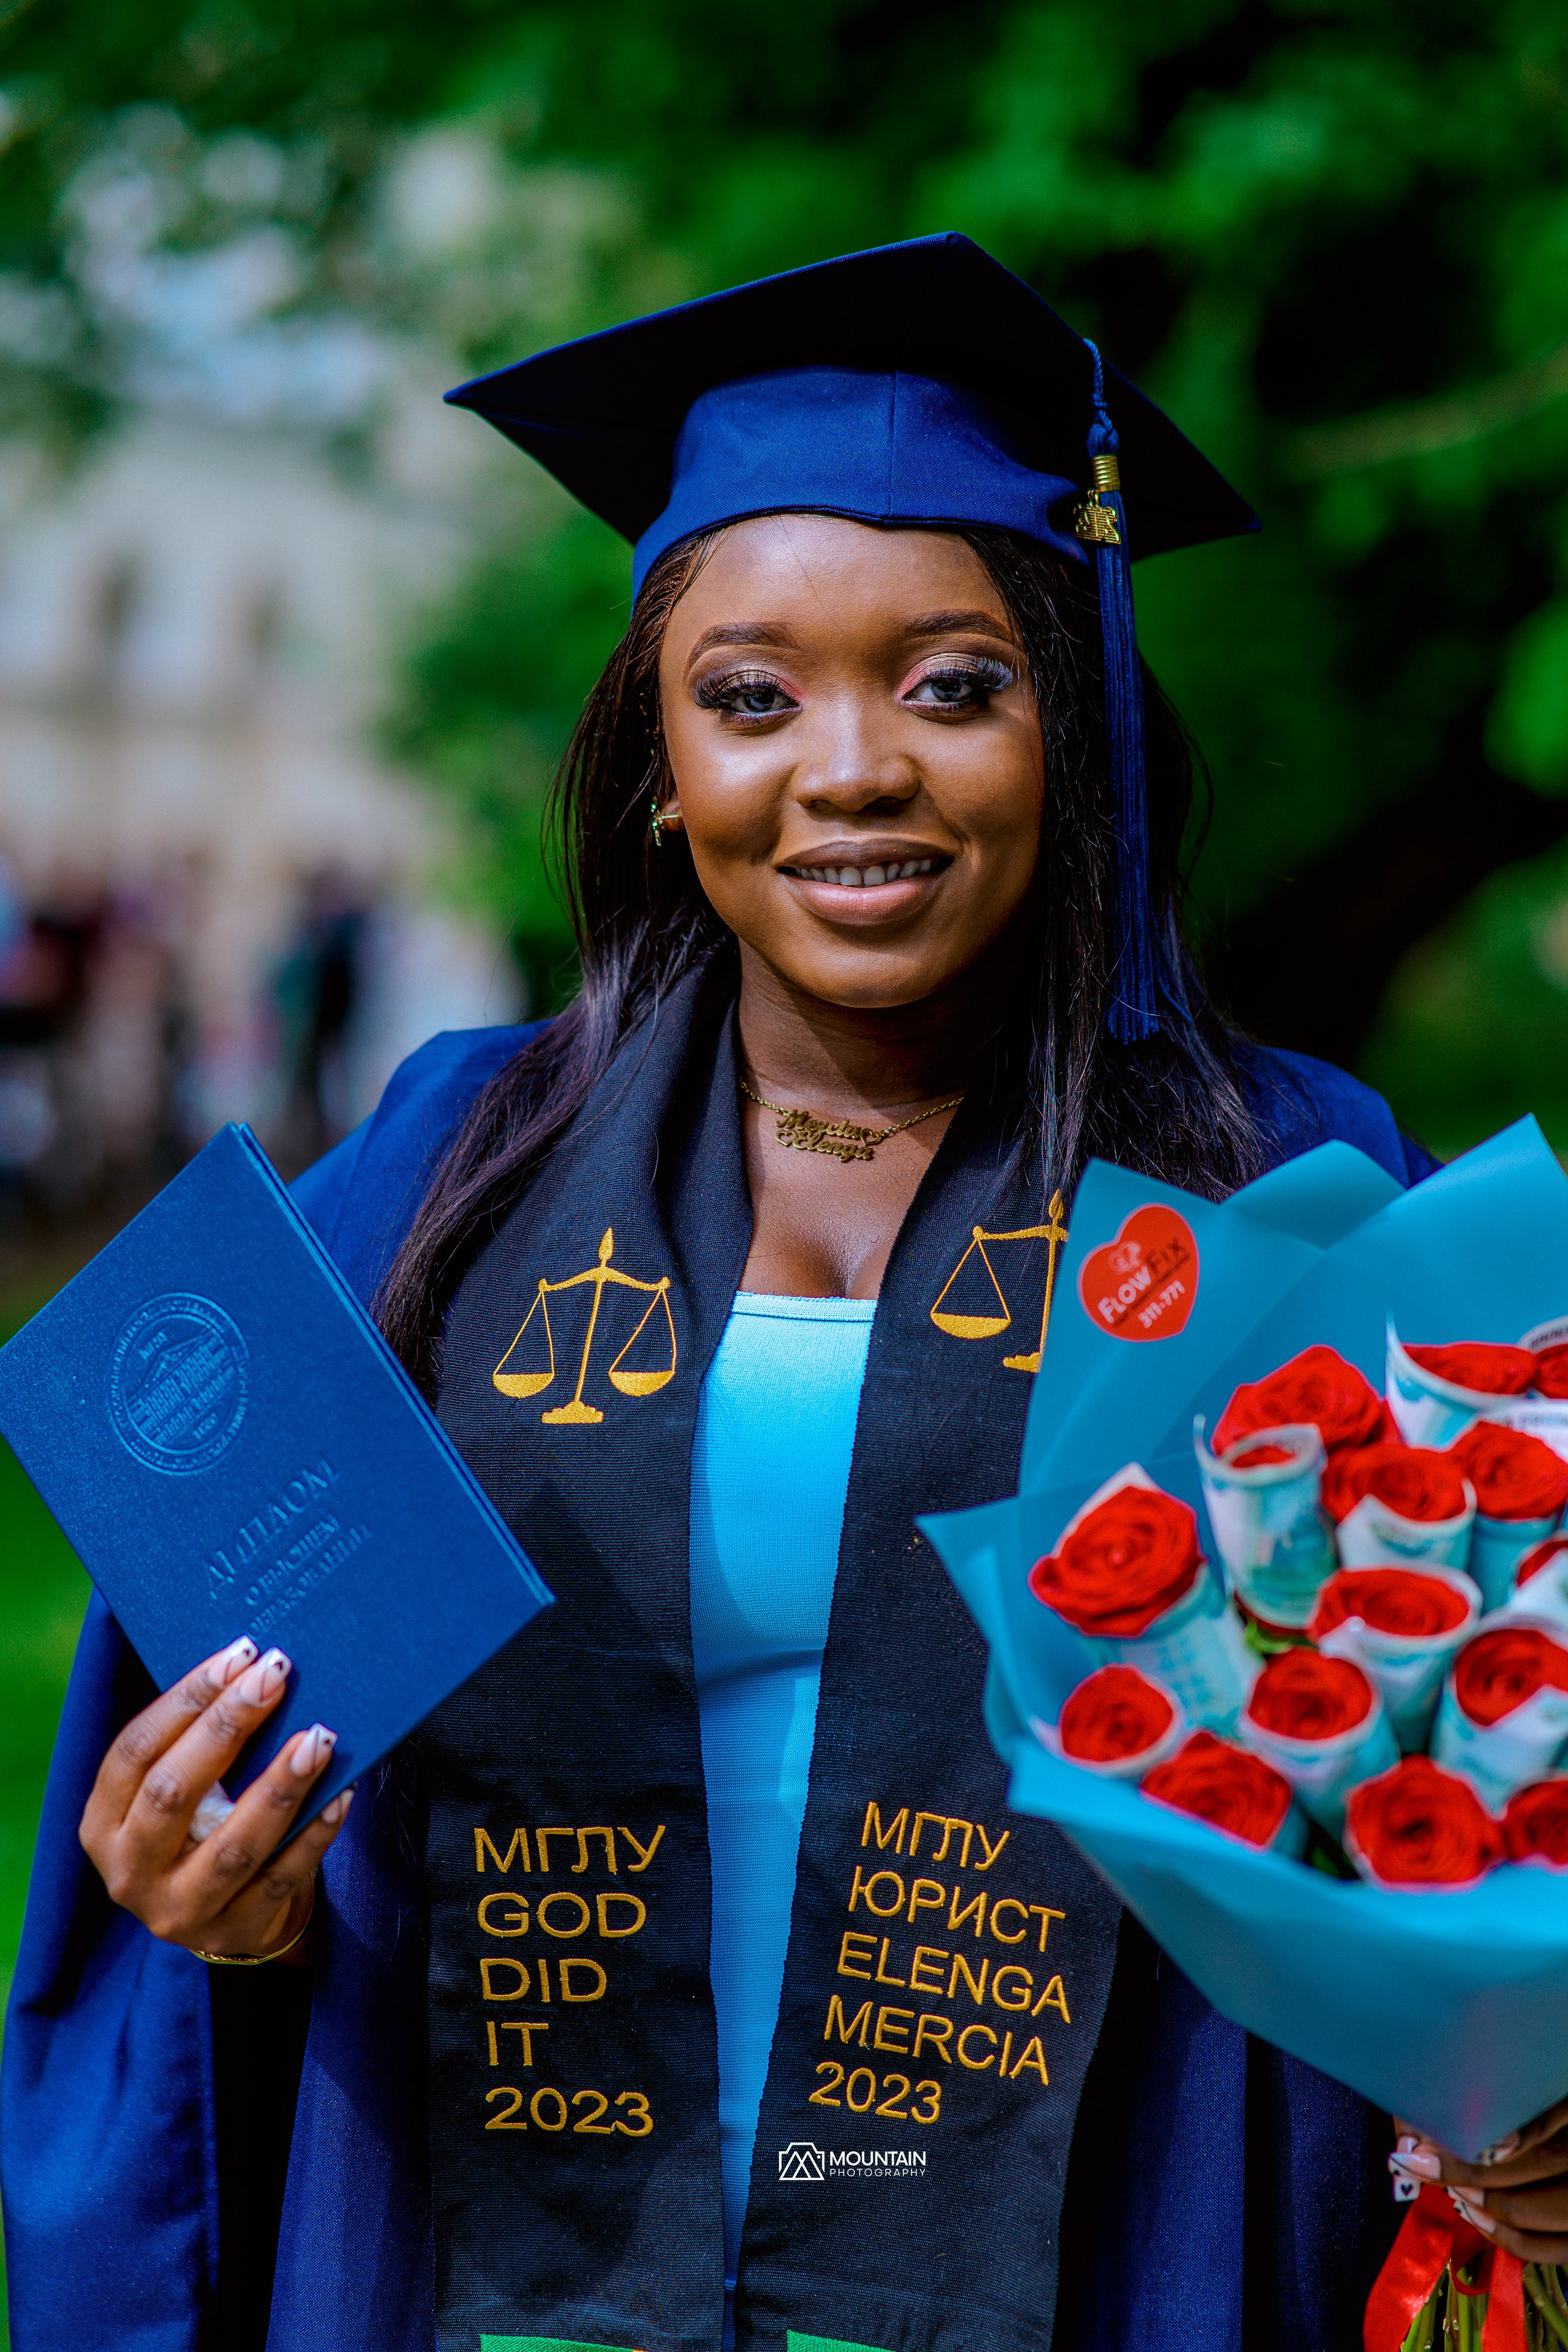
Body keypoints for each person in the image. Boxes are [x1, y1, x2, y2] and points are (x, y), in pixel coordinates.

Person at [4, 232, 1532, 2352]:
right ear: (658, 755)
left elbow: (1475, 1793)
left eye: (950, 683)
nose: (849, 769)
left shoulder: (1290, 1201)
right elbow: (209, 1803)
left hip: (1093, 2267)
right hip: (503, 2279)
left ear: (1067, 736)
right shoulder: (441, 1177)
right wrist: (206, 1907)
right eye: (750, 694)